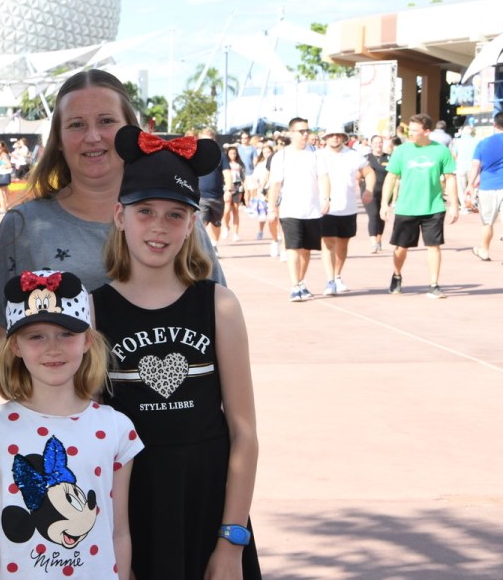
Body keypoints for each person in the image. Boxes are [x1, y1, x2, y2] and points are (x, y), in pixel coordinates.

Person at [93, 125, 260, 580]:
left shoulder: (218, 305)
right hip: (128, 507)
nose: (158, 227)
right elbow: (86, 431)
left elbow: (243, 433)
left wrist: (231, 542)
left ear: (191, 225)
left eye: (174, 215)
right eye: (145, 211)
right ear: (120, 215)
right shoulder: (91, 311)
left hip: (205, 505)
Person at [0, 69, 225, 366]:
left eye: (106, 121)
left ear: (132, 133)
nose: (93, 137)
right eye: (76, 124)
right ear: (57, 139)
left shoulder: (176, 218)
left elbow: (218, 325)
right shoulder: (23, 226)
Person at [0, 269, 143, 580]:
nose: (53, 348)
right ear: (15, 346)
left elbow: (118, 531)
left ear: (87, 341)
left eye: (66, 334)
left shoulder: (117, 429)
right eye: (36, 336)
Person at [381, 113, 458, 298]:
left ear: (427, 131)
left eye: (415, 131)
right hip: (406, 207)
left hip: (433, 207)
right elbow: (391, 177)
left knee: (434, 246)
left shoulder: (441, 151)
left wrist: (453, 204)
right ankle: (397, 275)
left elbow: (450, 178)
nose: (410, 134)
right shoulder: (402, 151)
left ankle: (433, 284)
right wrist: (385, 203)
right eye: (409, 130)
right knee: (401, 248)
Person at [267, 117, 330, 301]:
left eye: (307, 131)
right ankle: (295, 285)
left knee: (306, 250)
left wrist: (326, 198)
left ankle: (301, 281)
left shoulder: (317, 153)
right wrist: (272, 207)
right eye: (301, 131)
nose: (305, 134)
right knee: (293, 248)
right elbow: (275, 184)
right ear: (291, 133)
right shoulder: (282, 155)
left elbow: (324, 177)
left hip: (312, 210)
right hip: (290, 210)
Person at [319, 127, 375, 295]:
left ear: (343, 137)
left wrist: (369, 189)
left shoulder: (353, 155)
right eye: (331, 135)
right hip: (326, 208)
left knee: (343, 243)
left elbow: (369, 172)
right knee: (328, 243)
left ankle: (337, 276)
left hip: (348, 207)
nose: (335, 138)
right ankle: (330, 281)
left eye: (338, 135)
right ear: (326, 138)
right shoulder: (319, 155)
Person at [465, 111, 503, 261]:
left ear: (494, 125)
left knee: (487, 223)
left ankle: (484, 251)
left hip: (487, 186)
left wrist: (470, 185)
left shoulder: (483, 143)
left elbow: (475, 166)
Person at [364, 135, 392, 253]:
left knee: (381, 216)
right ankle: (373, 243)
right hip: (370, 191)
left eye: (380, 142)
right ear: (371, 144)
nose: (378, 145)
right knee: (373, 215)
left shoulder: (389, 157)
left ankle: (379, 239)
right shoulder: (366, 158)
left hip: (385, 191)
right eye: (375, 143)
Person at [453, 125, 480, 212]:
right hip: (473, 167)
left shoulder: (457, 141)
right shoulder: (477, 141)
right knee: (473, 185)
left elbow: (454, 155)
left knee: (461, 187)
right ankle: (472, 202)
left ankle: (464, 206)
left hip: (460, 166)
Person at [222, 145, 245, 242]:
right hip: (227, 188)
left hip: (237, 187)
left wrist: (245, 189)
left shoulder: (239, 165)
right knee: (226, 209)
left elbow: (243, 177)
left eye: (234, 153)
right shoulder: (225, 164)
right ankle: (226, 226)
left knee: (236, 210)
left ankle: (235, 233)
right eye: (231, 153)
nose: (233, 155)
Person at [0, 140, 14, 213]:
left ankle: (4, 208)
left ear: (3, 148)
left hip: (2, 174)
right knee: (4, 192)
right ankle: (7, 207)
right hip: (1, 175)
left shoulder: (4, 155)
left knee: (2, 192)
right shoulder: (0, 155)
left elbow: (9, 165)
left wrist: (0, 167)